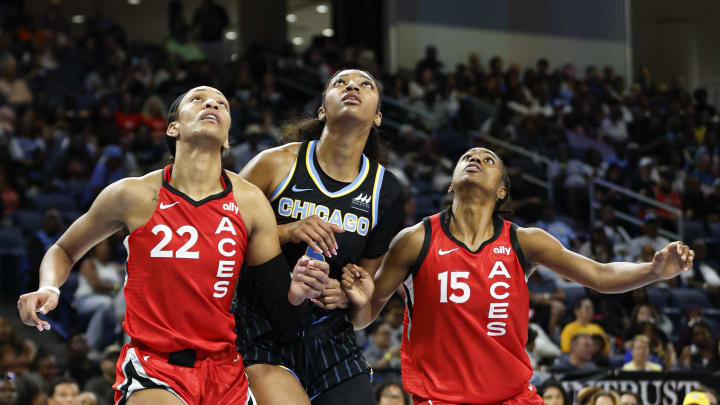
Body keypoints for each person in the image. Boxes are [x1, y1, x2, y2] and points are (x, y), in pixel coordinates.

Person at [17, 86, 331, 405]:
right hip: (154, 366)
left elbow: (282, 309)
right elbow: (64, 250)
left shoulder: (250, 202)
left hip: (224, 367)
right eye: (197, 99)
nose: (211, 103)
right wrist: (49, 288)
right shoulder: (132, 194)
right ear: (173, 128)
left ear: (225, 137)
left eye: (222, 104)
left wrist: (298, 293)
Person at [341, 147, 694, 404]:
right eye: (467, 157)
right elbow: (363, 317)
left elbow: (599, 275)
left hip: (514, 397)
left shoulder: (525, 242)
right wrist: (358, 302)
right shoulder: (415, 239)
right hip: (442, 400)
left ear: (501, 191)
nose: (475, 159)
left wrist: (653, 270)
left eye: (488, 159)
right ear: (451, 183)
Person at [235, 69, 404, 405]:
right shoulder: (274, 165)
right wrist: (285, 231)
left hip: (330, 339)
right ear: (322, 109)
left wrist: (347, 297)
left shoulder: (387, 191)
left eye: (365, 84)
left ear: (378, 117)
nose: (352, 86)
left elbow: (362, 310)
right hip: (260, 330)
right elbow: (219, 240)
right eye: (339, 83)